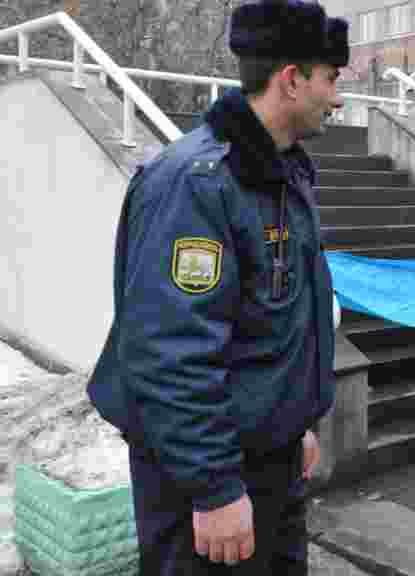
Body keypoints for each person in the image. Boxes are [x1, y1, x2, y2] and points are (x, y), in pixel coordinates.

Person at [86, 2, 349, 574]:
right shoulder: (197, 184)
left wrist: (295, 423)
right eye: (331, 79)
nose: (338, 97)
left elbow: (280, 320)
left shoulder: (283, 171)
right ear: (290, 79)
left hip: (268, 461)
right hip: (209, 476)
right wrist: (214, 488)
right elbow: (171, 351)